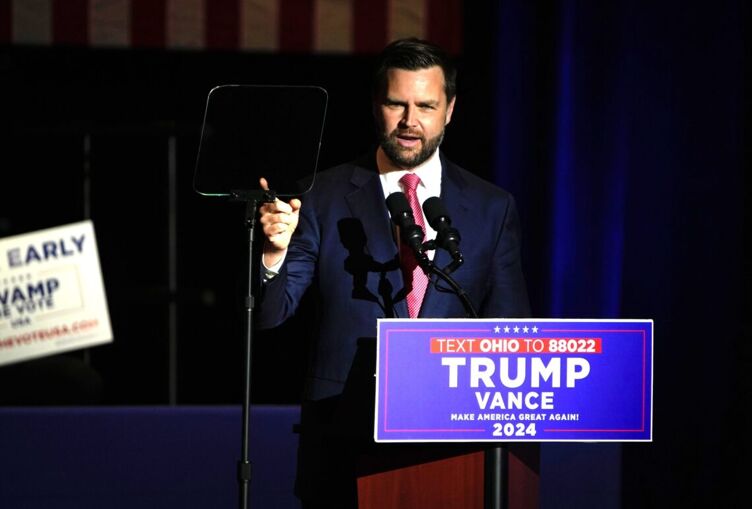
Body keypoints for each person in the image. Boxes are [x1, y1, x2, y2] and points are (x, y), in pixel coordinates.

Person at [257, 38, 530, 508]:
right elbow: (271, 315)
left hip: (454, 448)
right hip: (343, 443)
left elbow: (512, 333)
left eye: (425, 105)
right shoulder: (321, 195)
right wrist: (272, 255)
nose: (409, 121)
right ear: (375, 106)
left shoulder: (492, 207)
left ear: (450, 110)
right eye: (396, 103)